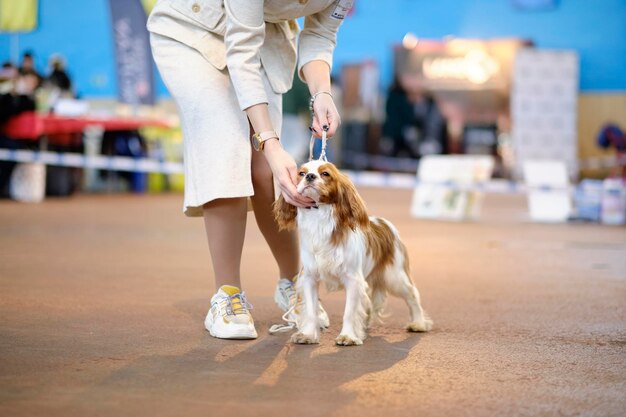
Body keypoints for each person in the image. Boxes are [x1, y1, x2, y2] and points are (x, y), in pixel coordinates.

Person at [147, 0, 348, 339]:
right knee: (226, 148)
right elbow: (240, 47)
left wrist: (322, 92)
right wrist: (269, 142)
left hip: (264, 39)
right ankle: (227, 296)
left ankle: (295, 284)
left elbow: (320, 33)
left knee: (268, 173)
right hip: (192, 31)